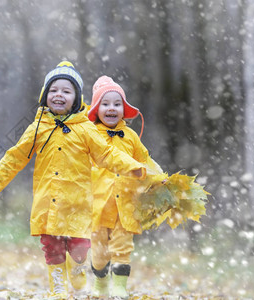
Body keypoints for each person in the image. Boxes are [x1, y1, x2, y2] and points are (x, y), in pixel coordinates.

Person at [0, 61, 146, 299]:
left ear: (76, 98)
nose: (59, 95)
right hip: (48, 202)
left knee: (79, 250)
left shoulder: (86, 129)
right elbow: (15, 157)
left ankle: (78, 273)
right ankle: (57, 289)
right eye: (53, 90)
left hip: (78, 203)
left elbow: (107, 154)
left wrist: (132, 167)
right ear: (44, 96)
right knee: (52, 247)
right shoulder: (37, 127)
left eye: (66, 91)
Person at [87, 75, 163, 299]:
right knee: (100, 253)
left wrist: (159, 177)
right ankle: (100, 281)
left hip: (125, 204)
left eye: (117, 104)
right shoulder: (89, 135)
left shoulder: (129, 136)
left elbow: (145, 160)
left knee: (123, 247)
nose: (112, 108)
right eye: (106, 103)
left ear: (124, 108)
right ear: (96, 109)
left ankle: (120, 287)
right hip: (98, 205)